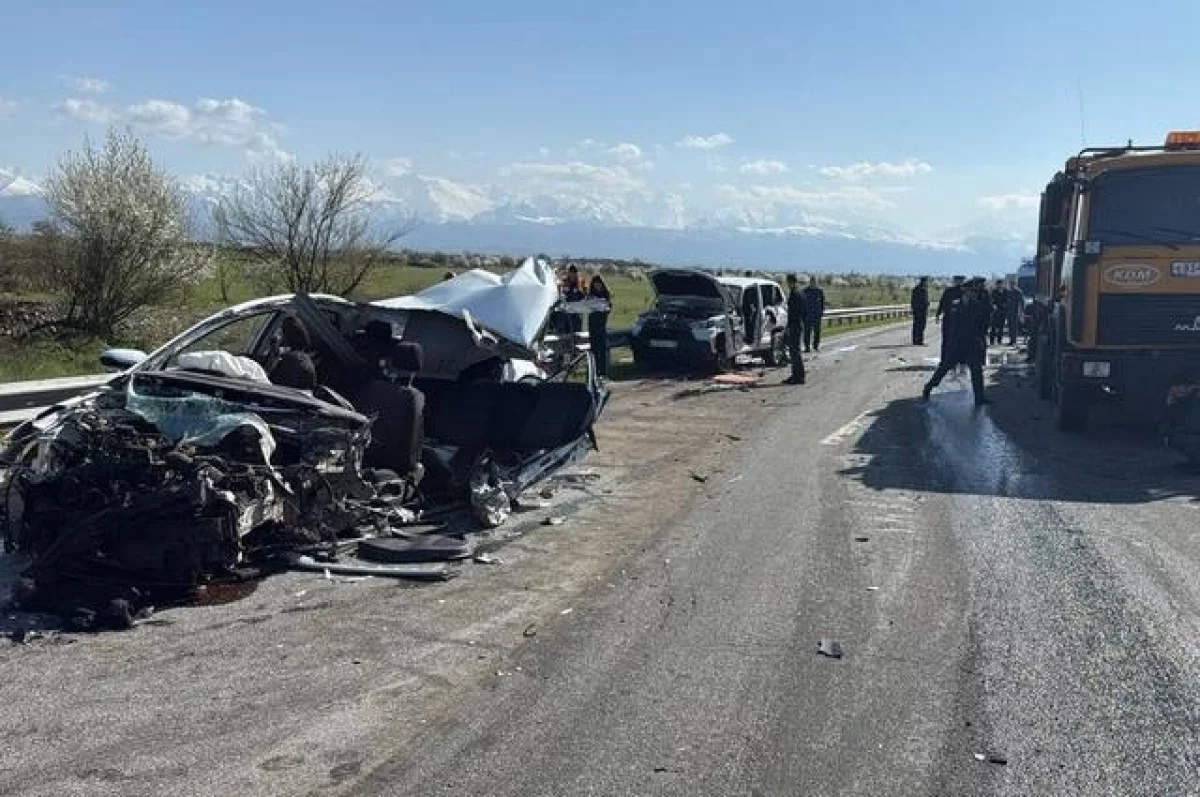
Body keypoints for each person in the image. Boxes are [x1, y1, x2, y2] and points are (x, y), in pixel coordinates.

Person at [923, 277, 992, 406]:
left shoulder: (978, 306)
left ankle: (980, 398)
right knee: (944, 368)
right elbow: (952, 325)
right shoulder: (955, 305)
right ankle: (929, 386)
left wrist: (980, 340)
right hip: (957, 343)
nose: (973, 294)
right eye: (970, 291)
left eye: (974, 292)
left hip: (972, 343)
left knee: (976, 371)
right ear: (965, 291)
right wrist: (950, 342)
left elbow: (983, 325)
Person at [784, 274, 808, 384]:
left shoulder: (795, 294)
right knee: (794, 351)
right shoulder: (801, 292)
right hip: (798, 323)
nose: (787, 284)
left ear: (791, 282)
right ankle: (796, 374)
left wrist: (789, 326)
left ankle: (799, 376)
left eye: (788, 282)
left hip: (795, 325)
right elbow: (804, 310)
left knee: (794, 352)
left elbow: (793, 312)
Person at [587, 275, 612, 378]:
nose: (597, 286)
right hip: (592, 325)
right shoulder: (590, 295)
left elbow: (608, 307)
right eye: (595, 284)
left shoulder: (605, 295)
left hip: (601, 325)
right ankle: (595, 372)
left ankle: (603, 372)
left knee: (602, 349)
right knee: (594, 349)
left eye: (598, 284)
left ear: (602, 284)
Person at [802, 276, 826, 352]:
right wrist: (803, 314)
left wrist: (821, 312)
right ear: (810, 282)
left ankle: (816, 346)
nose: (813, 283)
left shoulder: (820, 291)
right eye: (812, 281)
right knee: (807, 332)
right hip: (807, 316)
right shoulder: (805, 291)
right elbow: (802, 303)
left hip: (817, 315)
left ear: (816, 282)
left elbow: (822, 303)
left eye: (814, 281)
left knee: (817, 332)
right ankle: (807, 347)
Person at [910, 277, 930, 345]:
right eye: (926, 281)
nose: (927, 283)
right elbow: (914, 300)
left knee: (920, 326)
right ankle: (917, 340)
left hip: (922, 310)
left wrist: (927, 303)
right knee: (918, 326)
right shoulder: (918, 289)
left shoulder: (923, 289)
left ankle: (917, 340)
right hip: (919, 310)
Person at [989, 279, 1008, 346]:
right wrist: (993, 305)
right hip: (996, 311)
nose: (1000, 285)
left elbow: (1007, 300)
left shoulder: (1005, 291)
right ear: (996, 285)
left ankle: (999, 340)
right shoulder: (994, 291)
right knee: (993, 327)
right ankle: (992, 341)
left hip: (1003, 311)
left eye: (1001, 284)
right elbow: (992, 300)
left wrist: (1005, 305)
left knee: (1001, 327)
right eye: (998, 284)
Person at [1005, 280, 1024, 346]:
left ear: (1015, 285)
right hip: (1009, 312)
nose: (1011, 286)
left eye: (1012, 284)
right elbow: (1007, 302)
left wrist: (1021, 312)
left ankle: (1014, 340)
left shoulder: (1018, 292)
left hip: (1015, 312)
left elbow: (1021, 302)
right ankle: (1011, 340)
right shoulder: (1008, 292)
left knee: (1014, 327)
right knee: (1010, 327)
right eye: (1010, 284)